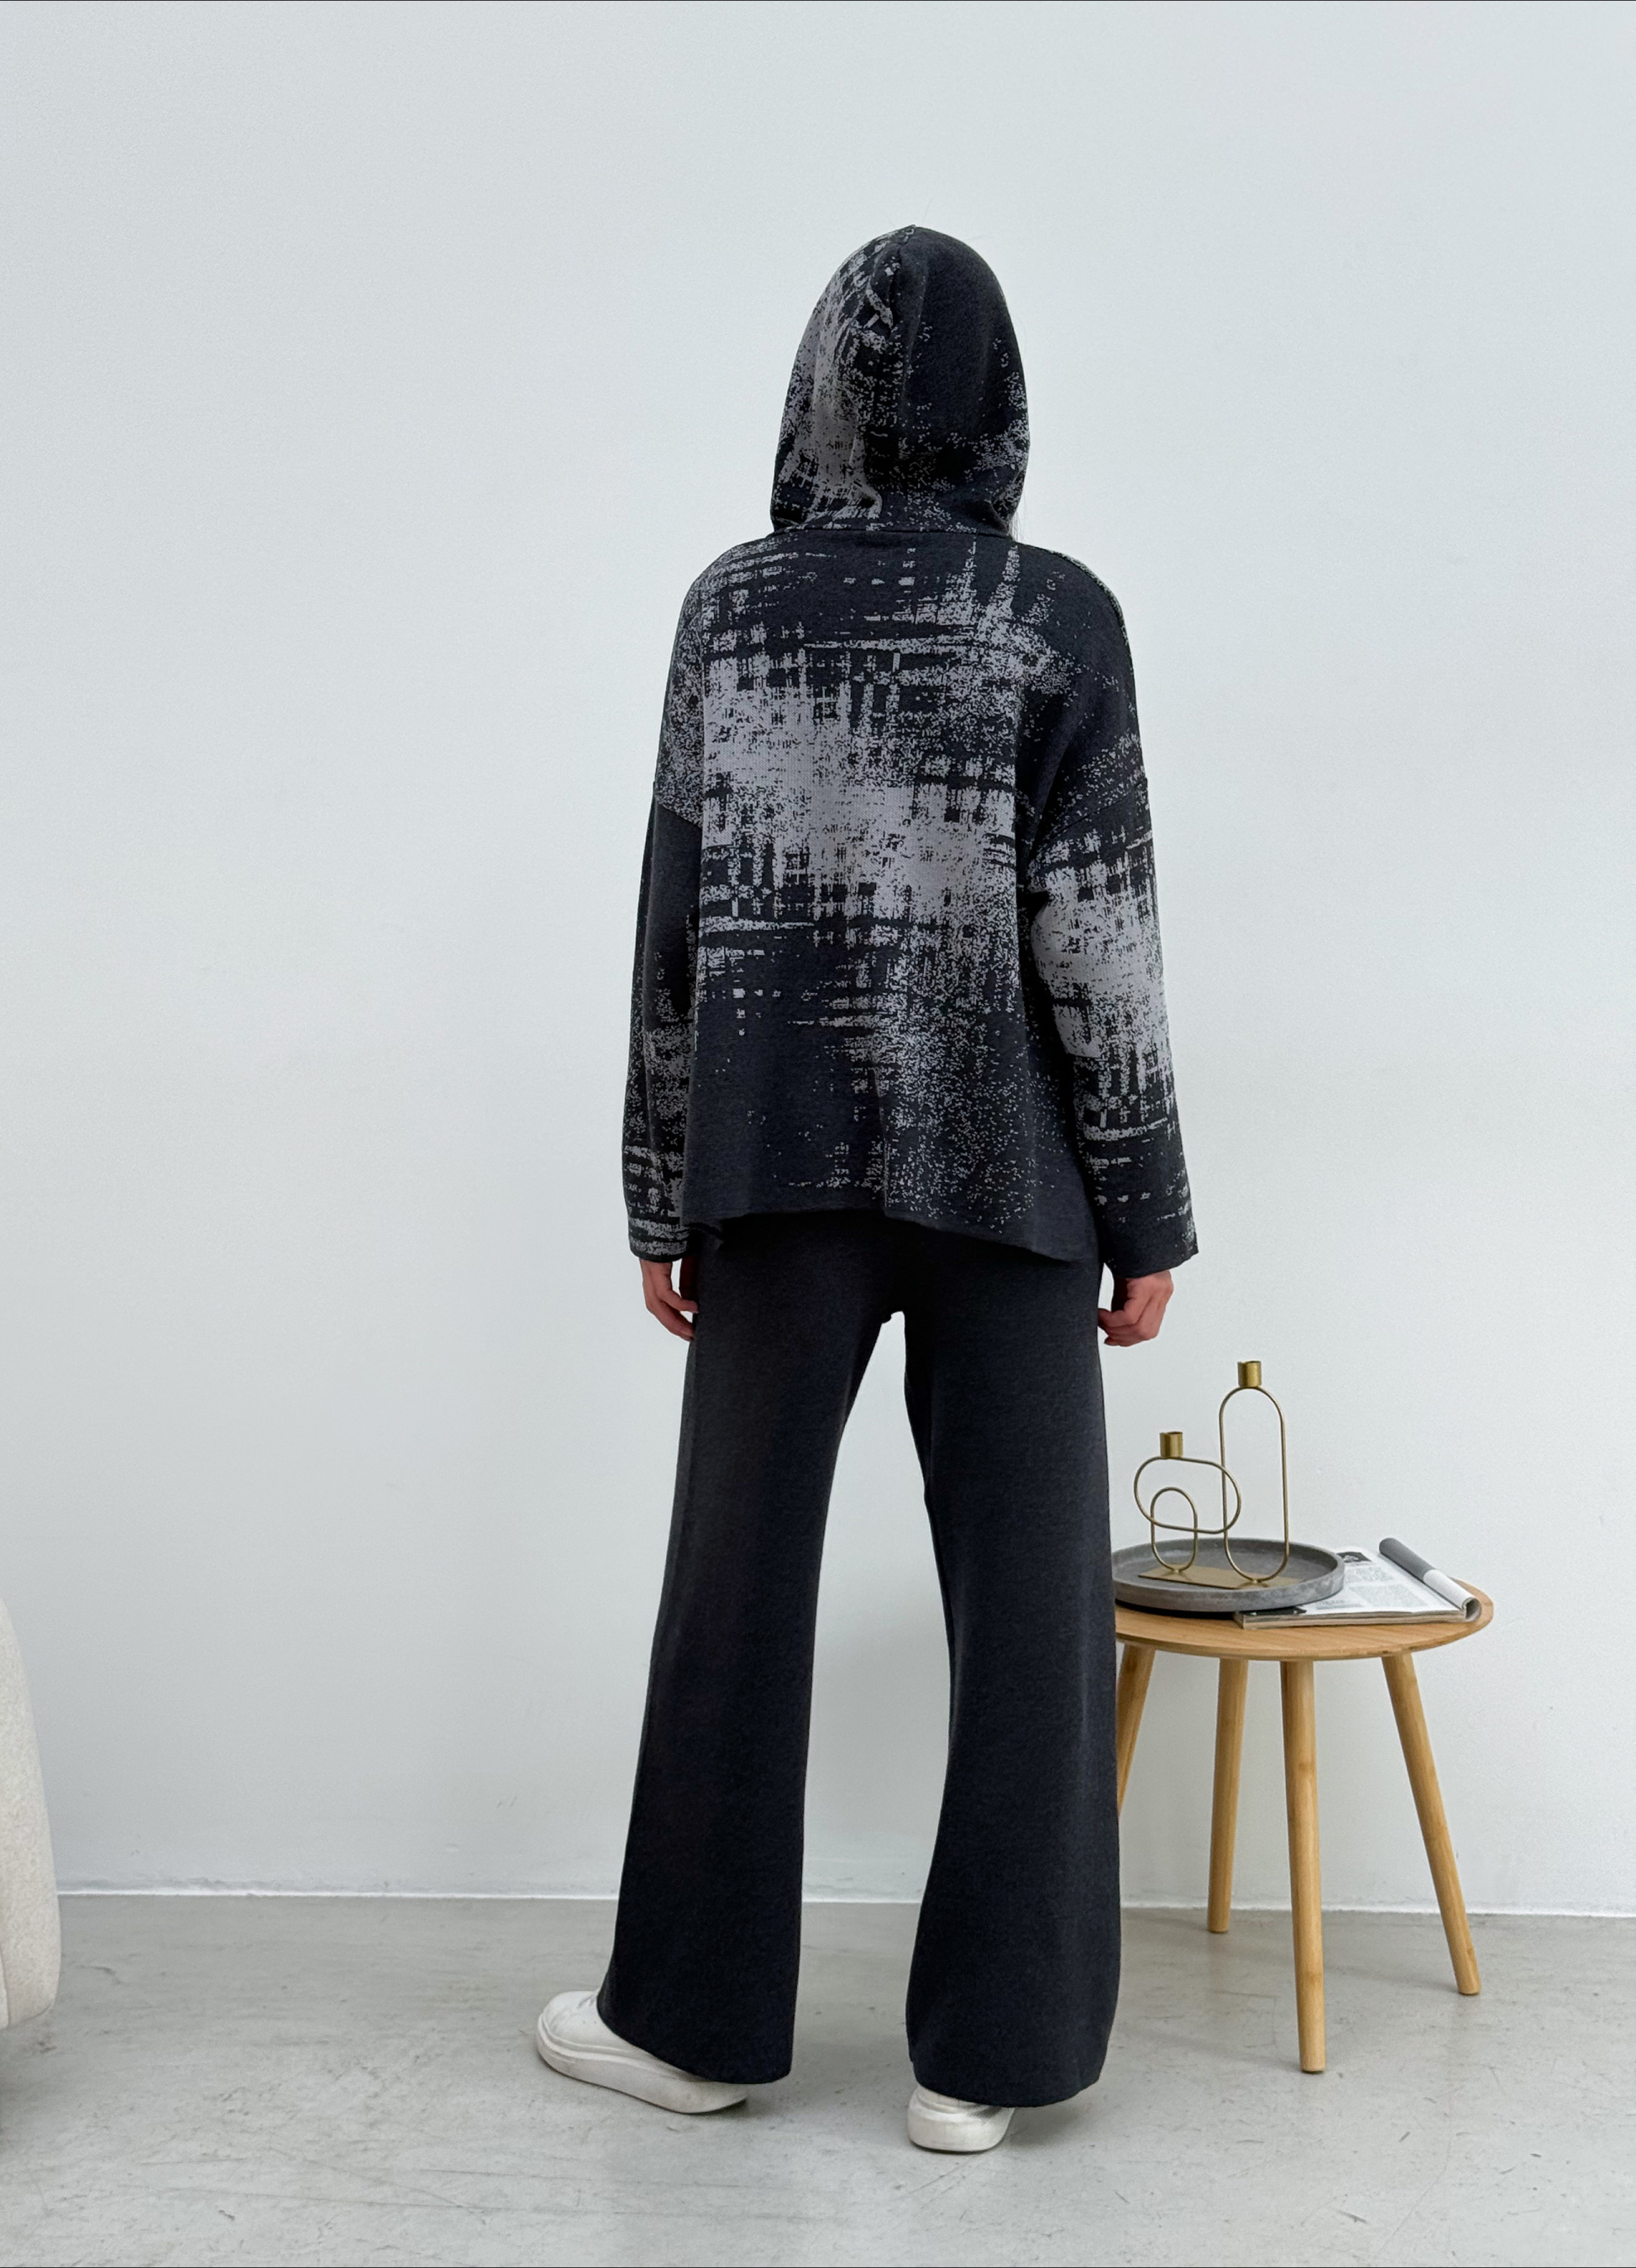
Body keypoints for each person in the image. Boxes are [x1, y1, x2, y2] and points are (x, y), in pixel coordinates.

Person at [537, 228, 1195, 2154]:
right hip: (1009, 1171)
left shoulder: (731, 610)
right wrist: (1143, 1211)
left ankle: (691, 2026)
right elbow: (1098, 937)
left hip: (772, 1165)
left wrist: (660, 1191)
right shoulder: (1055, 614)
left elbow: (676, 924)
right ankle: (985, 2064)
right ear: (1000, 406)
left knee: (731, 1586)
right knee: (1032, 1612)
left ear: (814, 386)